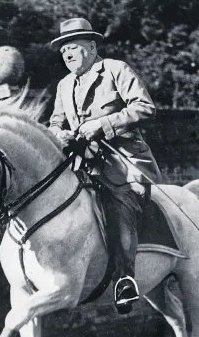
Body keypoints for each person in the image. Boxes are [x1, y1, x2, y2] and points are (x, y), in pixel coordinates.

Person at [49, 18, 161, 313]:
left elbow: (144, 107)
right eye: (63, 51)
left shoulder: (116, 69)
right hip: (82, 163)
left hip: (123, 162)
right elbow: (55, 121)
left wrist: (103, 124)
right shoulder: (64, 85)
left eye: (72, 47)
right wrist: (59, 132)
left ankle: (125, 280)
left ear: (92, 46)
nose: (67, 55)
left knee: (119, 204)